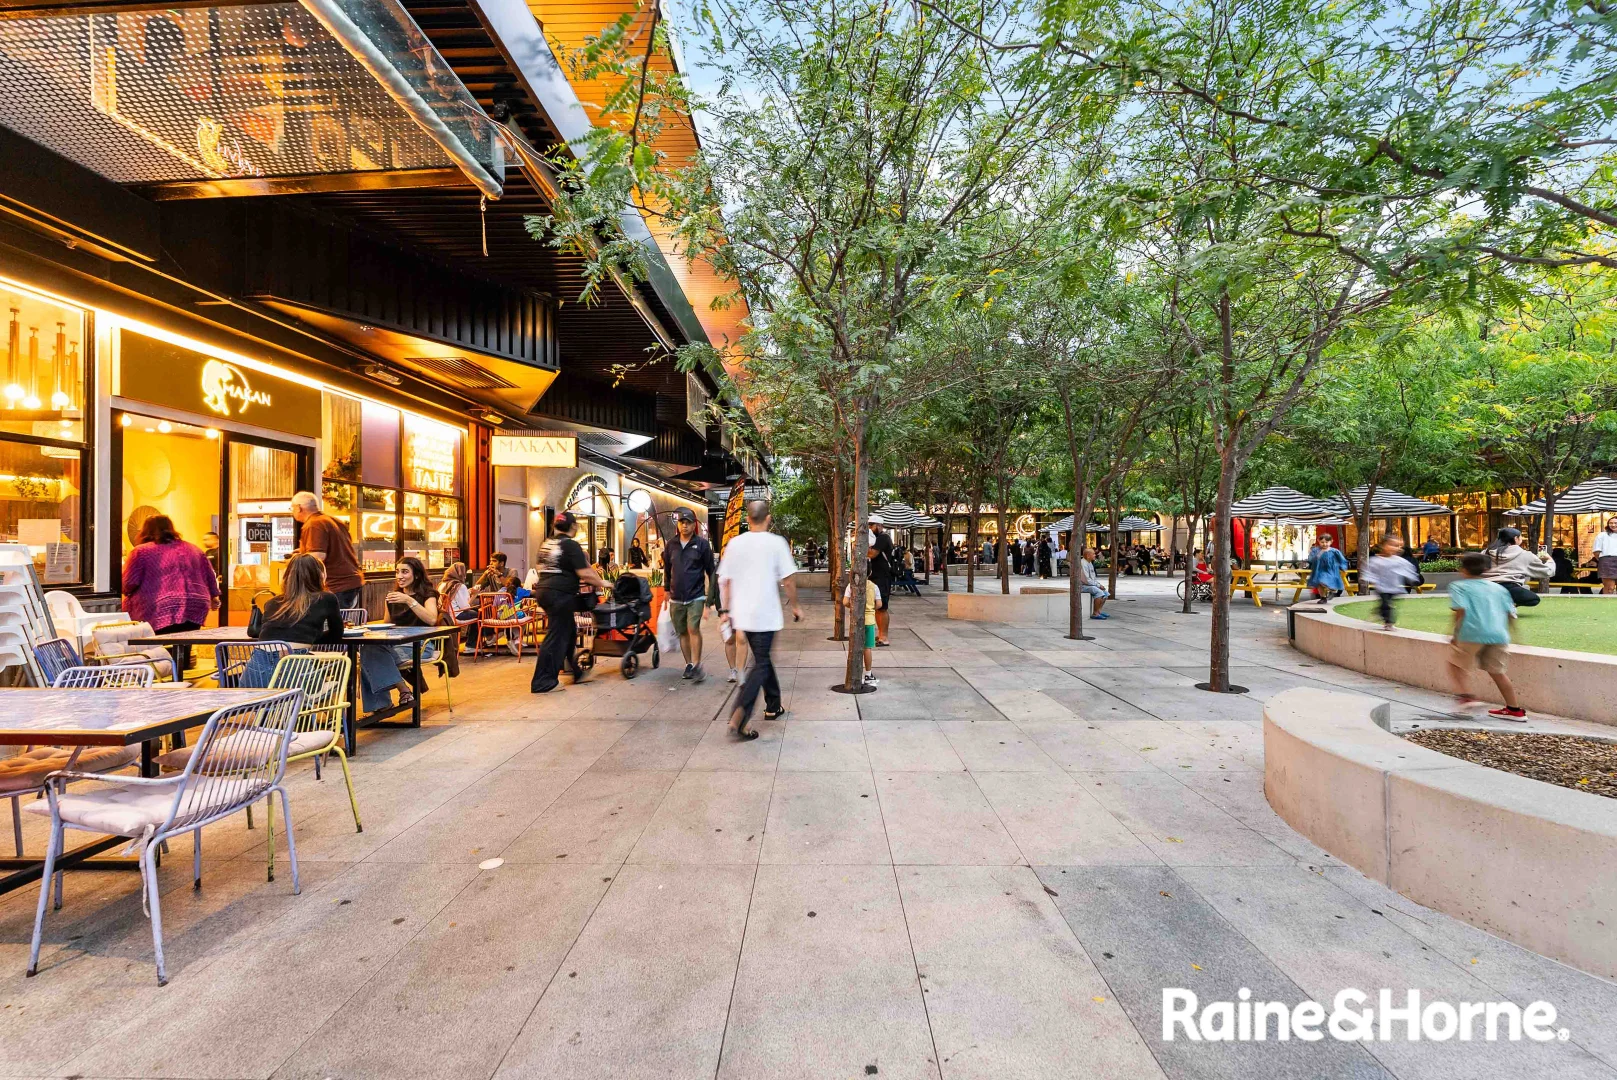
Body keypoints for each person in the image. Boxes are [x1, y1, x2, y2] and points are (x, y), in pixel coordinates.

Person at [717, 500, 803, 738]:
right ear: (768, 519)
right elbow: (789, 579)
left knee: (762, 659)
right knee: (762, 662)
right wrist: (795, 606)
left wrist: (724, 612)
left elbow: (724, 581)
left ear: (747, 519)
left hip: (742, 614)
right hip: (765, 614)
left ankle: (773, 705)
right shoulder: (777, 543)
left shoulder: (735, 543)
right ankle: (741, 712)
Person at [122, 514, 220, 673]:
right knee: (184, 644)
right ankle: (183, 677)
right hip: (196, 604)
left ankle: (170, 680)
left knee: (163, 651)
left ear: (145, 531)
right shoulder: (194, 549)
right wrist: (214, 596)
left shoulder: (141, 552)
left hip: (160, 606)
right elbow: (209, 574)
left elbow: (128, 583)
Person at [530, 512, 607, 693]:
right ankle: (543, 681)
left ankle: (575, 670)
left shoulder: (546, 544)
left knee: (568, 631)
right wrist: (603, 583)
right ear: (573, 527)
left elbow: (541, 568)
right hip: (559, 595)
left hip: (544, 591)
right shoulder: (570, 545)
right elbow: (585, 572)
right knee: (556, 636)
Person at [1448, 551, 1526, 720]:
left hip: (1471, 632)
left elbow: (1460, 610)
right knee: (1498, 672)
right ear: (1486, 570)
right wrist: (1516, 635)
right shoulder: (1499, 588)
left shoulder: (1459, 586)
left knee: (1456, 665)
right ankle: (1515, 710)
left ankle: (1466, 696)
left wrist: (1454, 634)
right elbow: (1510, 614)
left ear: (1463, 570)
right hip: (1499, 635)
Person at [358, 557, 438, 713]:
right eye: (397, 571)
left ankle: (383, 703)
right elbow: (387, 625)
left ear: (416, 575)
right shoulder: (392, 597)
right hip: (395, 643)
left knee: (369, 655)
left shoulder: (428, 595)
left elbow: (432, 619)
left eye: (405, 571)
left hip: (420, 644)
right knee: (368, 648)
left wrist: (409, 600)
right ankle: (403, 690)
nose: (399, 576)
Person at [663, 507, 718, 683]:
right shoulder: (671, 544)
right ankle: (688, 664)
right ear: (678, 525)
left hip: (696, 595)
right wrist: (665, 590)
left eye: (687, 522)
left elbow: (711, 571)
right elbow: (666, 569)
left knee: (693, 628)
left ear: (694, 525)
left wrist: (710, 600)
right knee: (682, 632)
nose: (684, 526)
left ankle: (697, 663)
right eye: (681, 522)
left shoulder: (702, 545)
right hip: (676, 596)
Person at [290, 491, 364, 610]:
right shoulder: (333, 520)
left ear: (299, 508)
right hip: (351, 581)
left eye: (292, 508)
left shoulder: (314, 524)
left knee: (330, 624)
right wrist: (303, 550)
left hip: (336, 584)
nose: (292, 511)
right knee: (345, 621)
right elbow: (334, 548)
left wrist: (297, 560)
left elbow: (318, 556)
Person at [1362, 534, 1420, 630]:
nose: (1395, 548)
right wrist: (1371, 579)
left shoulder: (1399, 560)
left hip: (1395, 587)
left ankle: (1378, 612)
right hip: (1382, 587)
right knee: (1387, 604)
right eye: (1392, 545)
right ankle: (1389, 623)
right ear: (1383, 546)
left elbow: (1409, 568)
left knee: (1388, 603)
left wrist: (1412, 578)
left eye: (1397, 546)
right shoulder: (1376, 560)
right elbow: (1369, 570)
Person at [1482, 527, 1551, 608]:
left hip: (1486, 587)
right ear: (1516, 538)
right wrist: (1550, 559)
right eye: (1520, 536)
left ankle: (1496, 603)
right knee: (1533, 599)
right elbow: (1548, 571)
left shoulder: (1485, 552)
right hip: (1509, 588)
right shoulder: (1524, 554)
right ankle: (1507, 605)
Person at [844, 571, 879, 688]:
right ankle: (868, 674)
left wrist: (853, 606)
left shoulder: (851, 586)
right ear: (870, 572)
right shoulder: (874, 586)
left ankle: (853, 673)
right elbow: (879, 604)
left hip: (855, 620)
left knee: (854, 647)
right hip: (869, 621)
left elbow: (845, 601)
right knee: (867, 648)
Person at [868, 516, 895, 646]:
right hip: (875, 576)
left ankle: (884, 637)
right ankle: (879, 635)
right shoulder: (877, 539)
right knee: (877, 607)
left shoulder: (883, 538)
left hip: (883, 577)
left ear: (878, 526)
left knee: (882, 607)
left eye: (871, 526)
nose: (869, 529)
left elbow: (872, 554)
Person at [1307, 533, 1348, 599]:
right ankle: (1323, 597)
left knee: (1326, 582)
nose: (1324, 544)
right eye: (1322, 542)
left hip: (1331, 570)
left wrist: (1343, 567)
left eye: (1326, 542)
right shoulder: (1316, 550)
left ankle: (1333, 591)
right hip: (1319, 570)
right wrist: (1318, 554)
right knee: (1319, 583)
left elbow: (1342, 560)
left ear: (1331, 541)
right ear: (1319, 541)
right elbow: (1311, 559)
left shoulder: (1334, 551)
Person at [1077, 546, 1108, 619]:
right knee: (1099, 593)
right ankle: (1095, 613)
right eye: (1093, 554)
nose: (1095, 555)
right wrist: (1098, 585)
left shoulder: (1089, 563)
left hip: (1089, 584)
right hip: (1083, 586)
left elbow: (1093, 578)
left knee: (1106, 593)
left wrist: (1099, 584)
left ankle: (1098, 611)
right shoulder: (1083, 564)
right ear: (1088, 556)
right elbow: (1086, 580)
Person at [1595, 517, 1617, 595]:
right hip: (1607, 562)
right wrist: (1603, 561)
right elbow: (1596, 551)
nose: (1613, 525)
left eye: (1615, 523)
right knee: (1609, 588)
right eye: (1611, 523)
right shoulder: (1602, 535)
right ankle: (1607, 604)